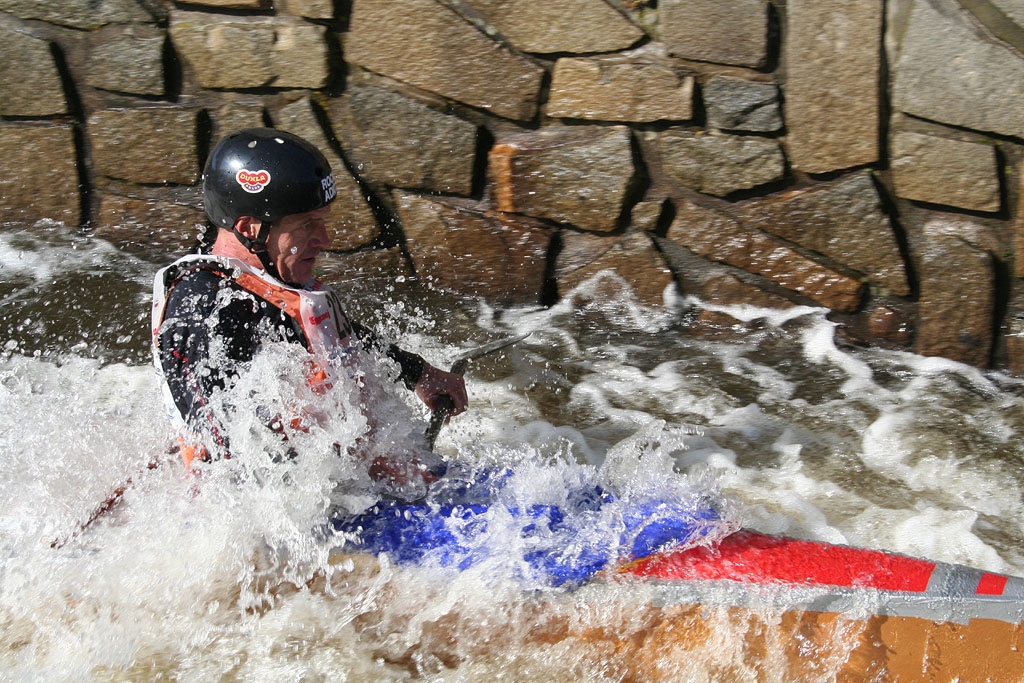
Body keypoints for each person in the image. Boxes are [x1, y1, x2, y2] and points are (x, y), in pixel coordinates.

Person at [151, 128, 468, 495]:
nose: (325, 240)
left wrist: (418, 373)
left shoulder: (262, 278)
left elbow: (332, 337)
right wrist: (377, 465)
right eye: (305, 225)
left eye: (322, 220)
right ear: (250, 228)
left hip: (339, 482)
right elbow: (232, 442)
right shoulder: (206, 312)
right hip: (257, 512)